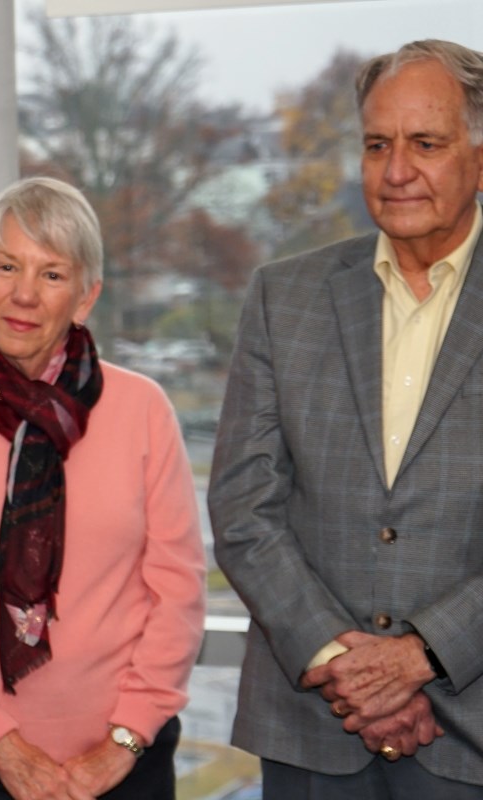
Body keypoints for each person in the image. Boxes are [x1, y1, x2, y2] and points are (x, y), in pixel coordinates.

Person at [209, 39, 483, 798]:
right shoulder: (284, 297)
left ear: (481, 155)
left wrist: (420, 656)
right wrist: (341, 665)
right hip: (310, 732)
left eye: (426, 143)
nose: (396, 171)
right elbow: (241, 506)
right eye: (376, 144)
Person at [0, 176, 207, 800]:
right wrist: (1, 744)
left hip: (123, 762)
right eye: (7, 265)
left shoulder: (144, 410)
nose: (24, 293)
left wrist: (125, 741)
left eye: (53, 275)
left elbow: (178, 592)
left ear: (86, 298)